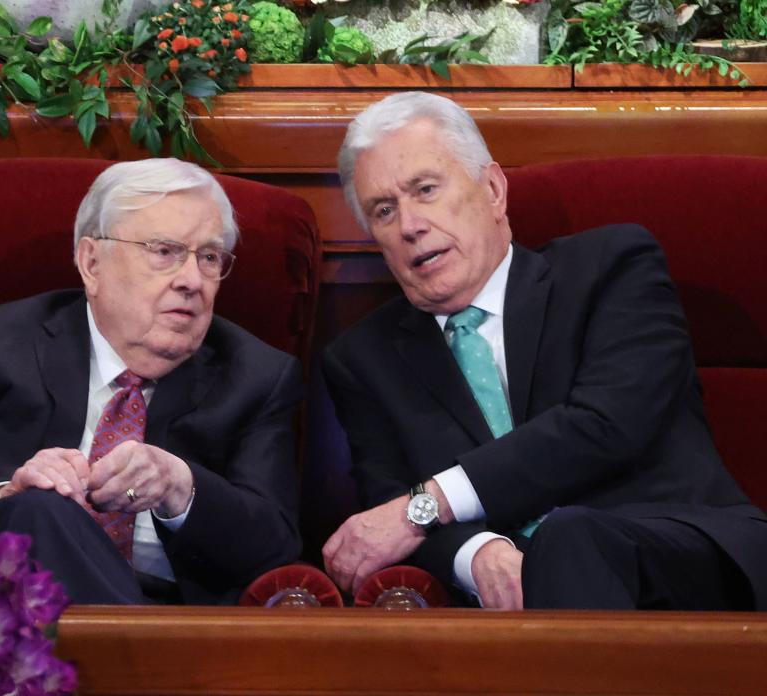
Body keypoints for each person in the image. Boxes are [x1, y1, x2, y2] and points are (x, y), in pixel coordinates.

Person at [320, 92, 767, 610]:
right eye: (383, 210)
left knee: (570, 536)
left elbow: (607, 425)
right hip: (515, 606)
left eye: (425, 189)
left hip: (676, 556)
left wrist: (430, 502)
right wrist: (477, 553)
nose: (409, 225)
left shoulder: (611, 267)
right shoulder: (362, 359)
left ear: (491, 189)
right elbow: (385, 510)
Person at [0, 158, 302, 605]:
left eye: (209, 257)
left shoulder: (257, 376)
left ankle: (123, 653)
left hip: (164, 619)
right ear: (92, 263)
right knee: (43, 509)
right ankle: (131, 665)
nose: (192, 280)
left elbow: (275, 547)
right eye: (164, 251)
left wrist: (180, 486)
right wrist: (6, 494)